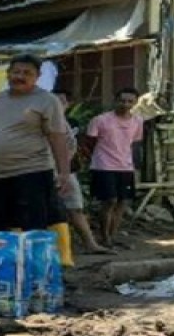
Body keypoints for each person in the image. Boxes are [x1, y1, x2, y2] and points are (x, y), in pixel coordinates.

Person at [0, 54, 72, 239]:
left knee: (32, 229)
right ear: (8, 74)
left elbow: (57, 137)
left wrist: (64, 173)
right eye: (16, 72)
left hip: (33, 173)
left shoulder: (47, 101)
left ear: (37, 76)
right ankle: (1, 267)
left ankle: (32, 267)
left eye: (27, 73)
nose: (20, 76)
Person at [54, 89, 112, 256]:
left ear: (68, 104)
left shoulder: (71, 123)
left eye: (61, 101)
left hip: (68, 171)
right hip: (45, 170)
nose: (57, 104)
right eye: (53, 100)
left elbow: (72, 147)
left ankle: (90, 244)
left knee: (75, 208)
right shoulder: (42, 122)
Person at [87, 87, 144, 249]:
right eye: (122, 100)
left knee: (122, 203)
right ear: (115, 101)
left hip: (125, 167)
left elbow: (135, 144)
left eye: (130, 101)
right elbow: (89, 143)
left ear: (135, 103)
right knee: (109, 200)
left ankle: (112, 236)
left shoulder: (137, 121)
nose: (125, 104)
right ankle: (104, 237)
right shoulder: (100, 120)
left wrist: (136, 167)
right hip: (104, 166)